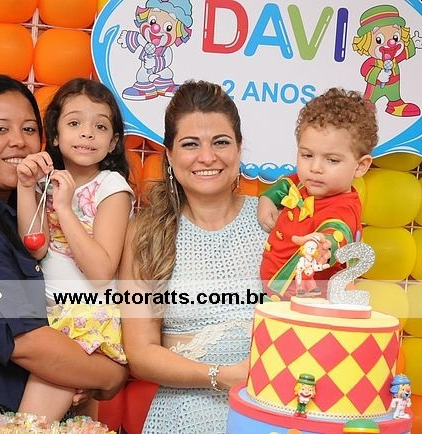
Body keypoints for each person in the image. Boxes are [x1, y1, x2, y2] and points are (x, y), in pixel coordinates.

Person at [0, 75, 127, 433]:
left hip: (42, 410)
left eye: (29, 129)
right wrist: (111, 375)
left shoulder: (25, 209)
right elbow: (25, 342)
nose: (18, 141)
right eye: (0, 129)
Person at [118, 80, 268, 433]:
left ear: (239, 148)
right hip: (182, 418)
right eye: (190, 144)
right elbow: (141, 353)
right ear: (170, 156)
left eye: (221, 142)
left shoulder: (271, 221)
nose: (207, 157)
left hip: (267, 414)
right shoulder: (146, 234)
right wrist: (221, 376)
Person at [15, 78, 133, 422]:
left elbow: (100, 271)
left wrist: (65, 209)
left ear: (113, 142)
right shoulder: (45, 183)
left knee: (29, 426)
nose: (87, 133)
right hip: (51, 316)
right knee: (75, 426)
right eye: (74, 123)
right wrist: (26, 187)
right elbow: (35, 247)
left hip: (85, 319)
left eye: (100, 127)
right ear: (54, 135)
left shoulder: (111, 187)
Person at [258, 88, 377, 300]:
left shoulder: (344, 208)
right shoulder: (308, 180)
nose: (315, 167)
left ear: (360, 166)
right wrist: (267, 199)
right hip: (273, 292)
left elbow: (337, 232)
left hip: (309, 304)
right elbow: (287, 183)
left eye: (332, 160)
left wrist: (325, 245)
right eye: (307, 155)